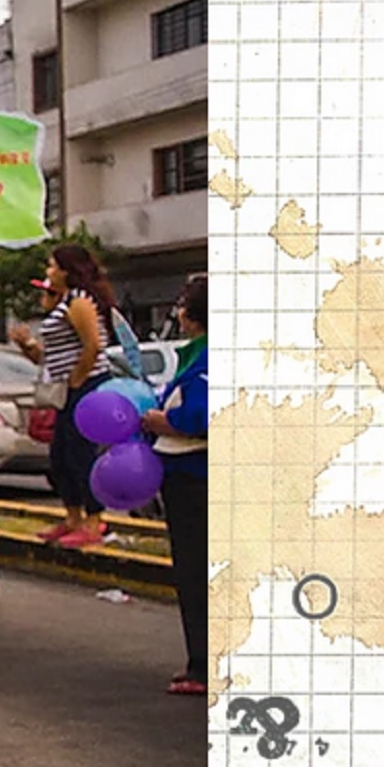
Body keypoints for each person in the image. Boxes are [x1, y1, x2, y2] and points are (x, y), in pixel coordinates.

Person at [11, 246, 119, 546]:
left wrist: (78, 378)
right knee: (61, 456)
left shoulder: (80, 301)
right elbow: (51, 356)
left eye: (52, 266)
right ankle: (72, 516)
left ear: (67, 270)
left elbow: (93, 345)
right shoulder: (63, 303)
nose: (48, 272)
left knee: (80, 453)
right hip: (65, 388)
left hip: (86, 386)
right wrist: (27, 346)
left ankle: (94, 520)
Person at [142, 277, 207, 696]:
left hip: (195, 476)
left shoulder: (206, 360)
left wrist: (162, 423)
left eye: (182, 303)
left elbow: (203, 416)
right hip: (186, 475)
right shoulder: (193, 355)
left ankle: (203, 666)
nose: (177, 312)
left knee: (197, 571)